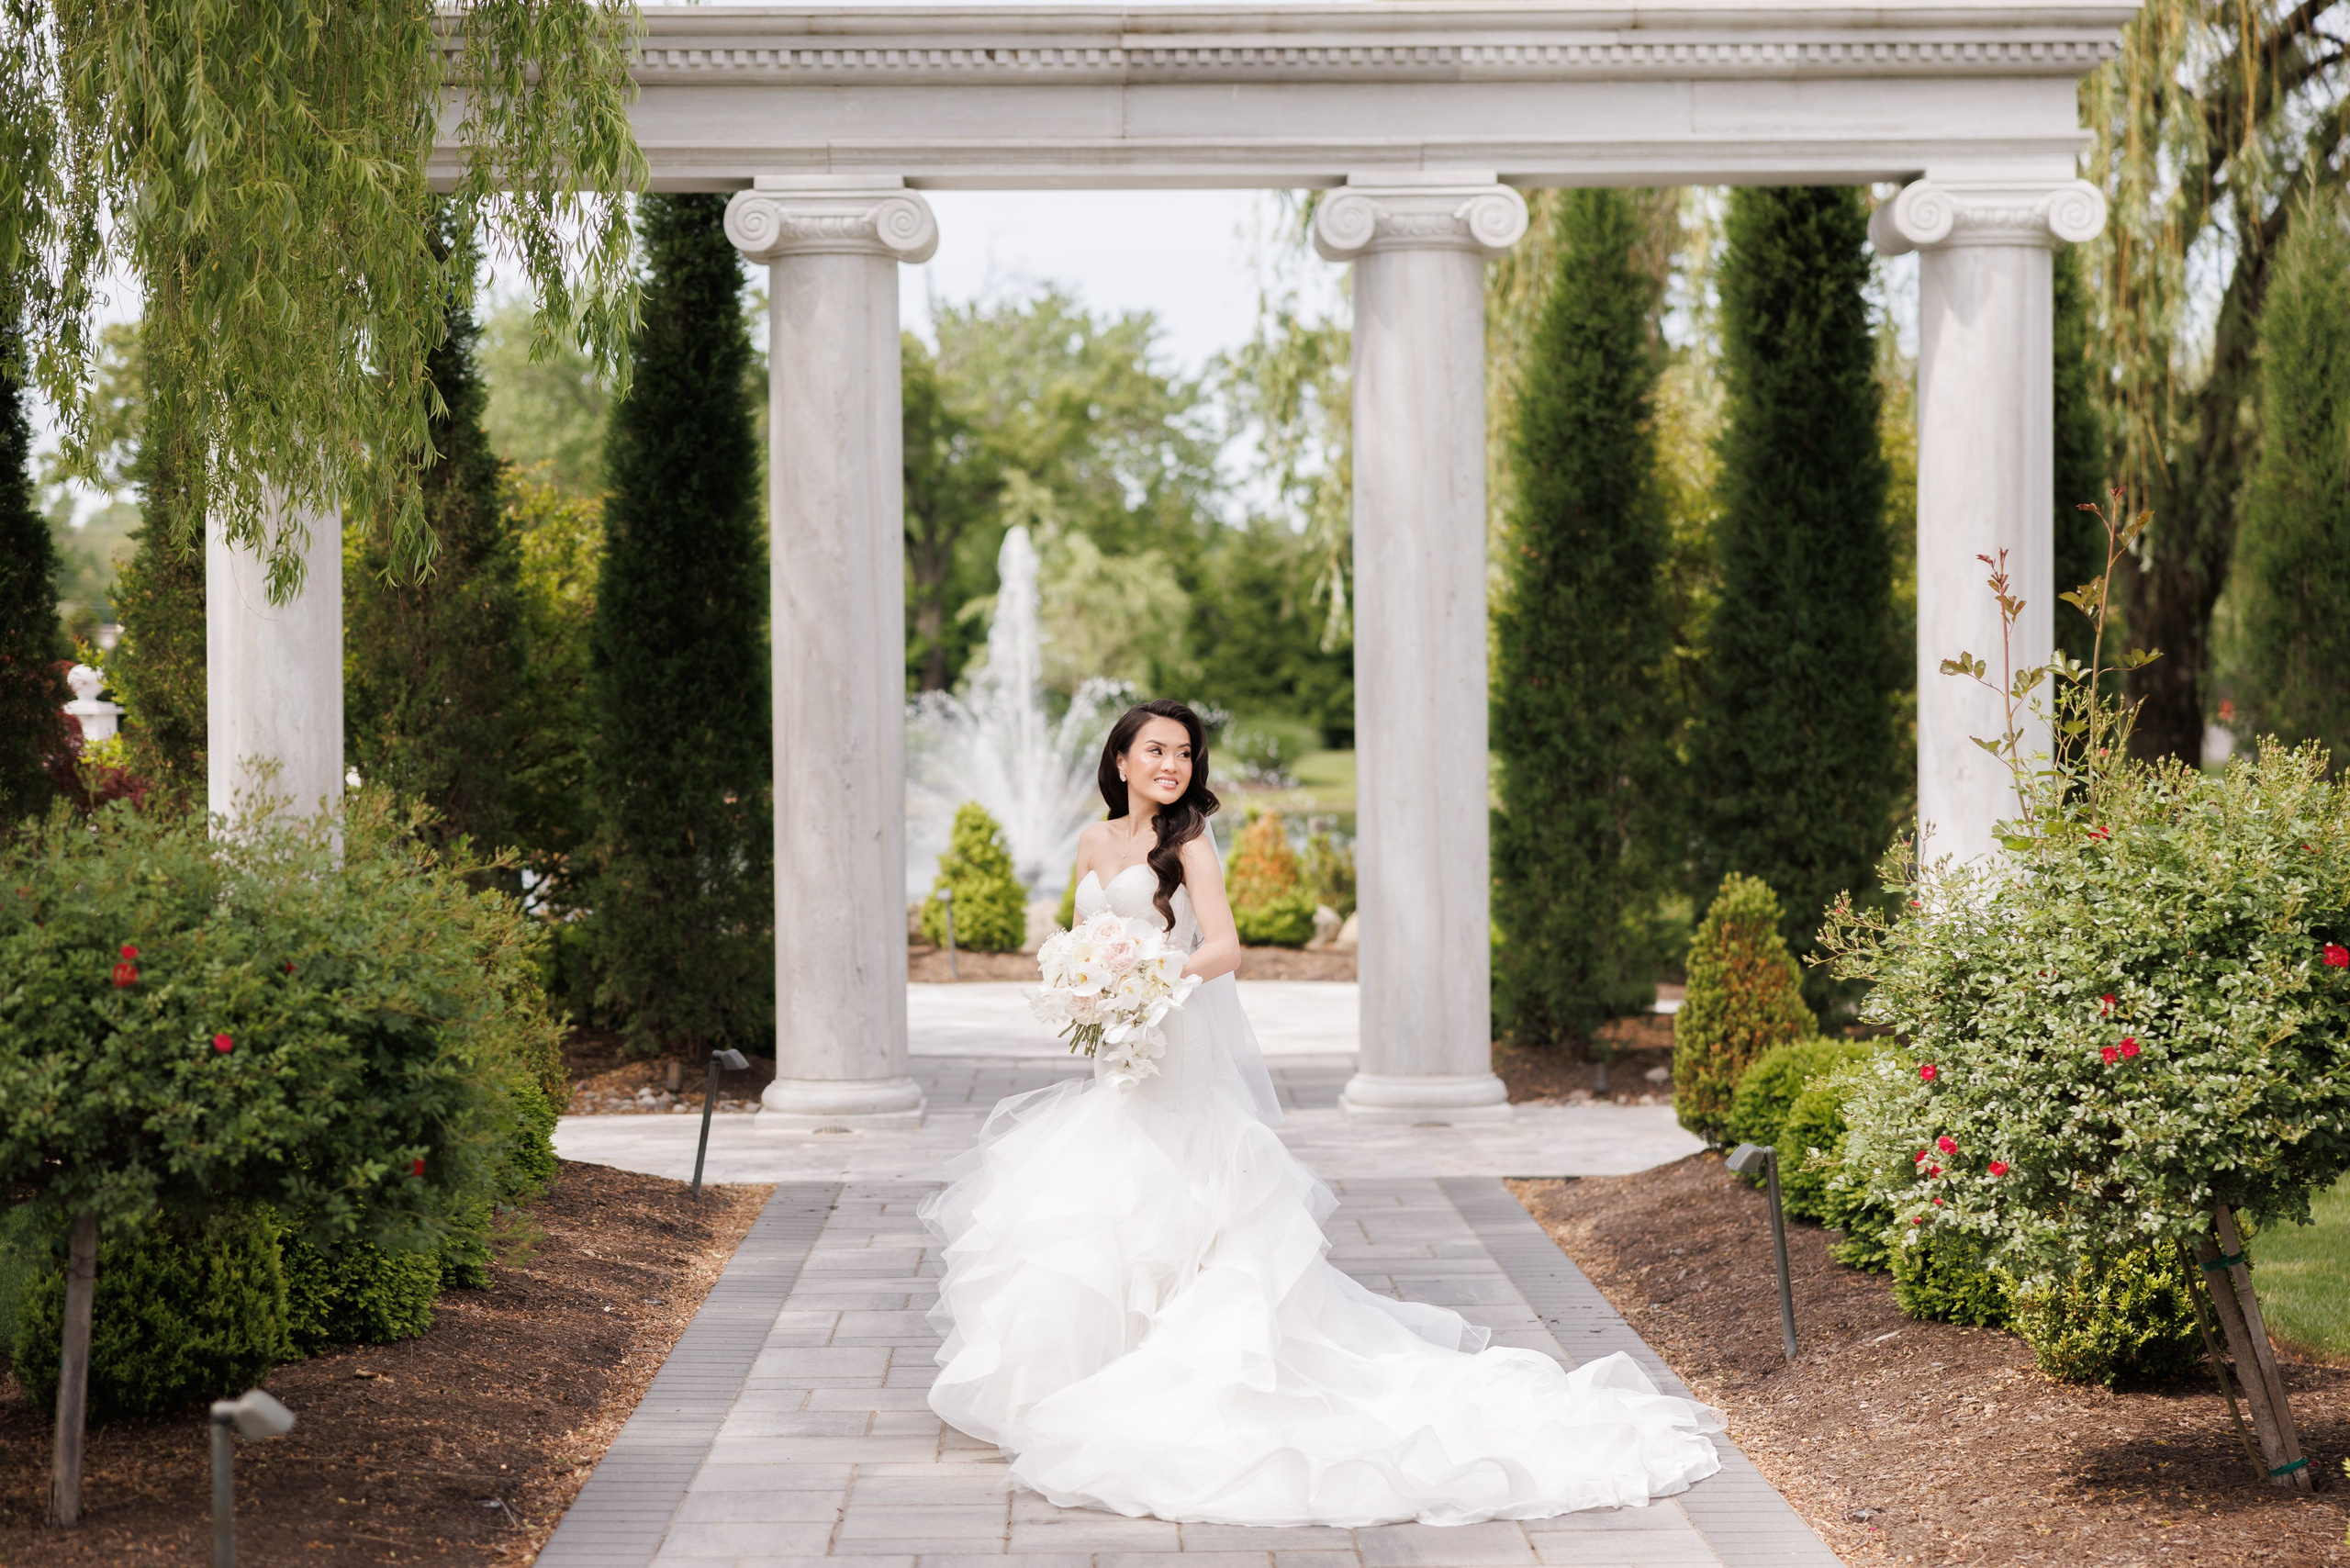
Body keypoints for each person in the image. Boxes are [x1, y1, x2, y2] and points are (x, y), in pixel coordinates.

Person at [919, 699, 1722, 1527]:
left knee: (1189, 1211)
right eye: (1155, 750)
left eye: (1186, 753)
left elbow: (1226, 946)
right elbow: (1079, 938)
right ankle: (1098, 1375)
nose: (1173, 765)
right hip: (1120, 1060)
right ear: (1119, 760)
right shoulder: (1093, 842)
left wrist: (1149, 984)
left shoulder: (1187, 840)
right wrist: (1085, 987)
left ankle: (1181, 1375)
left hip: (1173, 1042)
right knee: (1103, 1209)